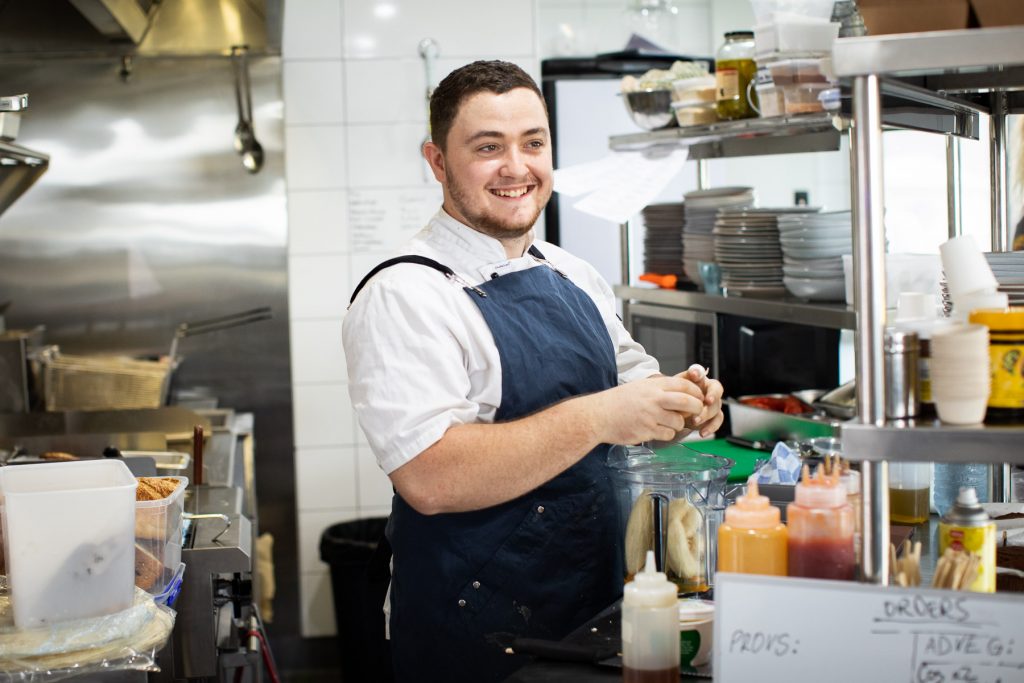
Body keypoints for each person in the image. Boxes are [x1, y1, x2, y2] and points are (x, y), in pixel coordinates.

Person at [343, 60, 724, 683]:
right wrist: (600, 414)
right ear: (438, 162)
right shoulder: (405, 293)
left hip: (596, 607)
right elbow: (429, 477)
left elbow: (639, 401)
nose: (517, 167)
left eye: (533, 143)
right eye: (488, 148)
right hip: (478, 635)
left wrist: (682, 406)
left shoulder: (571, 273)